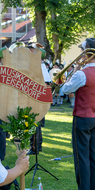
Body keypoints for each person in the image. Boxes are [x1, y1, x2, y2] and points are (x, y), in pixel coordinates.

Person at [63, 38, 95, 190]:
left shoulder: (81, 74)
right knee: (94, 157)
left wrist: (75, 69)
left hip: (82, 118)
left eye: (82, 50)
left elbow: (65, 89)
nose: (81, 54)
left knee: (81, 157)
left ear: (87, 51)